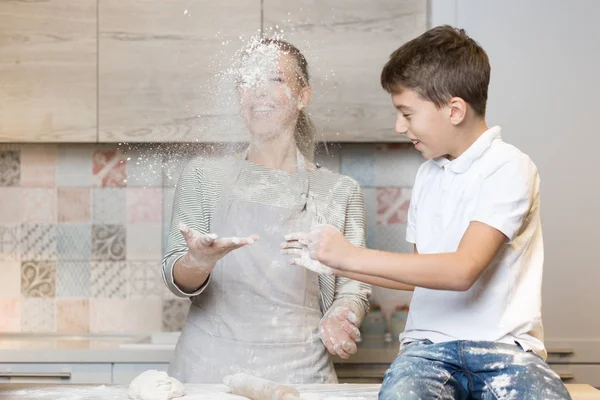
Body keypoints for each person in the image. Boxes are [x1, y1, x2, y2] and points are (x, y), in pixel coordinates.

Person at [282, 26, 571, 399]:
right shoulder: (428, 173)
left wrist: (350, 254)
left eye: (407, 113)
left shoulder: (509, 167)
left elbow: (461, 271)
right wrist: (335, 264)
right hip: (427, 351)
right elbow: (422, 273)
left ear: (454, 110)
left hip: (505, 351)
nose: (399, 126)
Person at [161, 38, 371, 384]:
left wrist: (342, 314)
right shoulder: (204, 176)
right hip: (209, 372)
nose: (257, 92)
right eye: (247, 81)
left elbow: (353, 285)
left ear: (303, 96)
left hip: (301, 375)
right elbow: (176, 276)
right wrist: (197, 262)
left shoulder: (338, 191)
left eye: (273, 79)